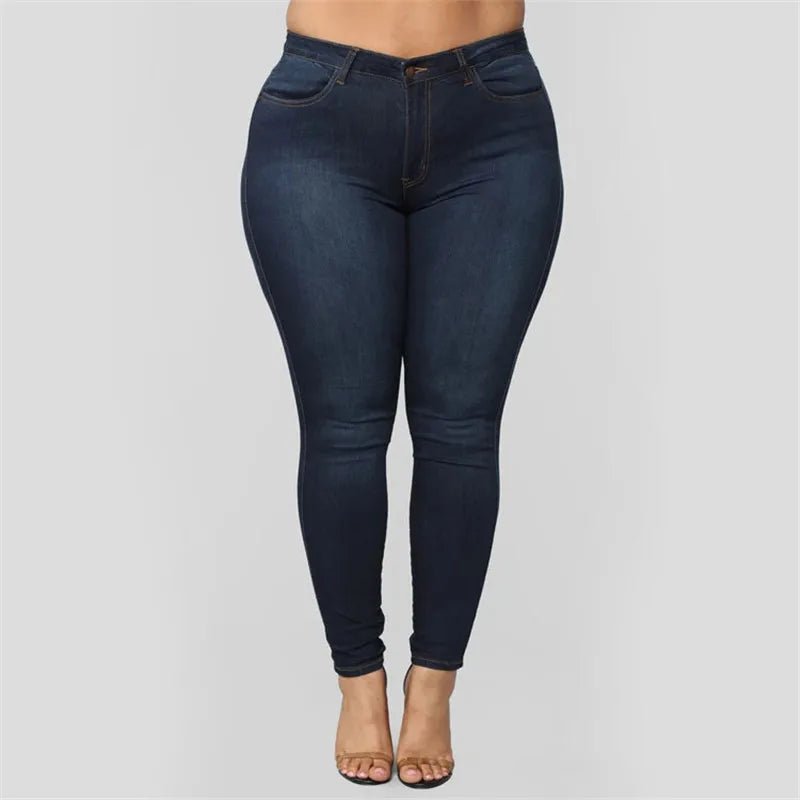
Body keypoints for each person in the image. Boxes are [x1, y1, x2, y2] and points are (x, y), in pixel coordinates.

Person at [239, 0, 563, 788]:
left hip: (495, 110)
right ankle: (359, 684)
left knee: (461, 429)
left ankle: (433, 686)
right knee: (344, 429)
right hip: (321, 110)